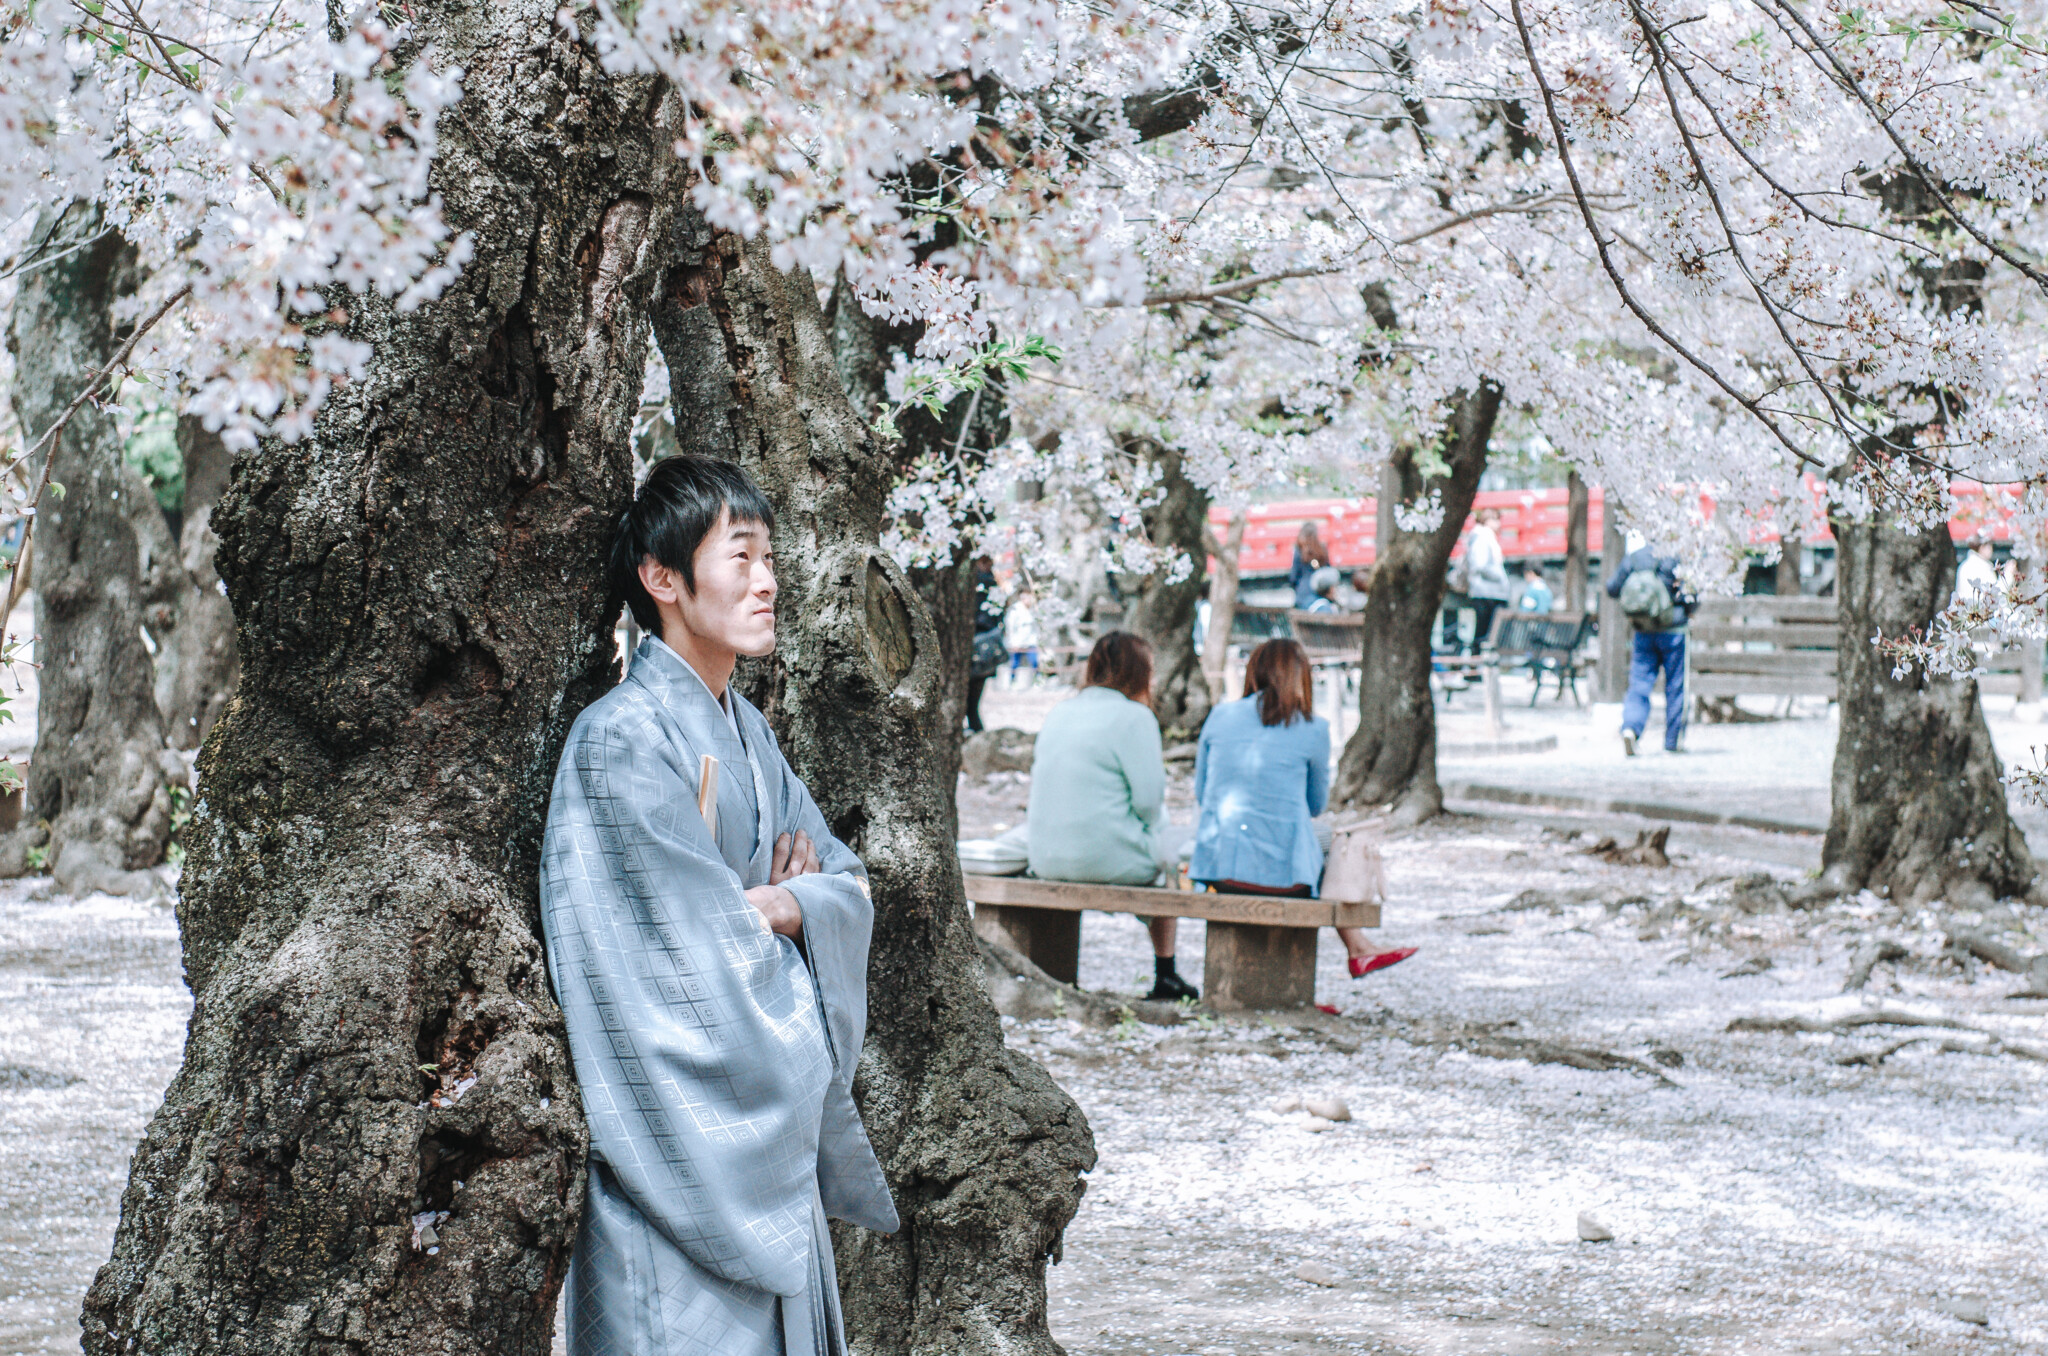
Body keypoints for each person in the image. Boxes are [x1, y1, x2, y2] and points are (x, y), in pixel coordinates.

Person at [540, 456, 898, 1356]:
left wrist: (785, 905)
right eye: (739, 557)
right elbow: (671, 961)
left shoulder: (750, 733)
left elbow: (843, 883)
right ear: (662, 578)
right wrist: (782, 911)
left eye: (769, 557)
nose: (767, 581)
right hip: (673, 1161)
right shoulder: (618, 741)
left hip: (764, 1170)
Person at [1190, 639, 1412, 978]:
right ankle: (1356, 947)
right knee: (1328, 842)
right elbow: (1314, 805)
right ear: (1300, 678)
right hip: (1287, 878)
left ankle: (1358, 948)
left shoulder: (1219, 716)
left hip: (1220, 870)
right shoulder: (1313, 728)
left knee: (1306, 841)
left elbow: (1204, 794)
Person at [1026, 632, 1195, 1001]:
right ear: (1139, 673)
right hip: (1107, 859)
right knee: (1167, 848)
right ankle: (1165, 971)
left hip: (1045, 856)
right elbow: (1149, 802)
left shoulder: (1060, 711)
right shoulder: (1136, 718)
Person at [1605, 529, 1694, 756]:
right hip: (1674, 631)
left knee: (1639, 684)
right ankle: (1673, 741)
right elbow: (1691, 595)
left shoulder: (1635, 558)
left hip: (1643, 630)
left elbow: (1612, 588)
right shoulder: (1675, 558)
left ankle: (1631, 729)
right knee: (1676, 686)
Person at [1464, 506, 1511, 650]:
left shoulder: (1485, 537)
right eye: (1496, 520)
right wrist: (1499, 577)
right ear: (1488, 520)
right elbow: (1480, 564)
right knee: (1483, 633)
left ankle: (1477, 666)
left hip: (1489, 592)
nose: (1499, 524)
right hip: (1486, 592)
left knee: (1485, 633)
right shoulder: (1482, 537)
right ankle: (1476, 668)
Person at [967, 554, 1003, 732]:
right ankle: (977, 731)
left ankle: (975, 731)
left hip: (975, 646)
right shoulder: (993, 584)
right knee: (973, 704)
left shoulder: (979, 583)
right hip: (985, 651)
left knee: (970, 705)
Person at [1005, 587, 1041, 687]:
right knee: (1015, 663)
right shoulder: (1015, 609)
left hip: (1031, 641)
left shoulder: (1034, 609)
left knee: (1034, 661)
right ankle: (1012, 681)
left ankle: (1038, 681)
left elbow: (1037, 627)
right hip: (1018, 641)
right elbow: (1010, 627)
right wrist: (1012, 642)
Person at [1290, 521, 1330, 610]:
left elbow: (1293, 578)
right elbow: (1328, 572)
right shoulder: (1322, 550)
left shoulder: (1299, 551)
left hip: (1303, 594)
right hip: (1320, 594)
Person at [1956, 533, 1998, 602]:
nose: (1991, 550)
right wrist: (2009, 575)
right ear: (1982, 547)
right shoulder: (1982, 567)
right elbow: (1995, 593)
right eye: (1989, 546)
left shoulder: (1964, 565)